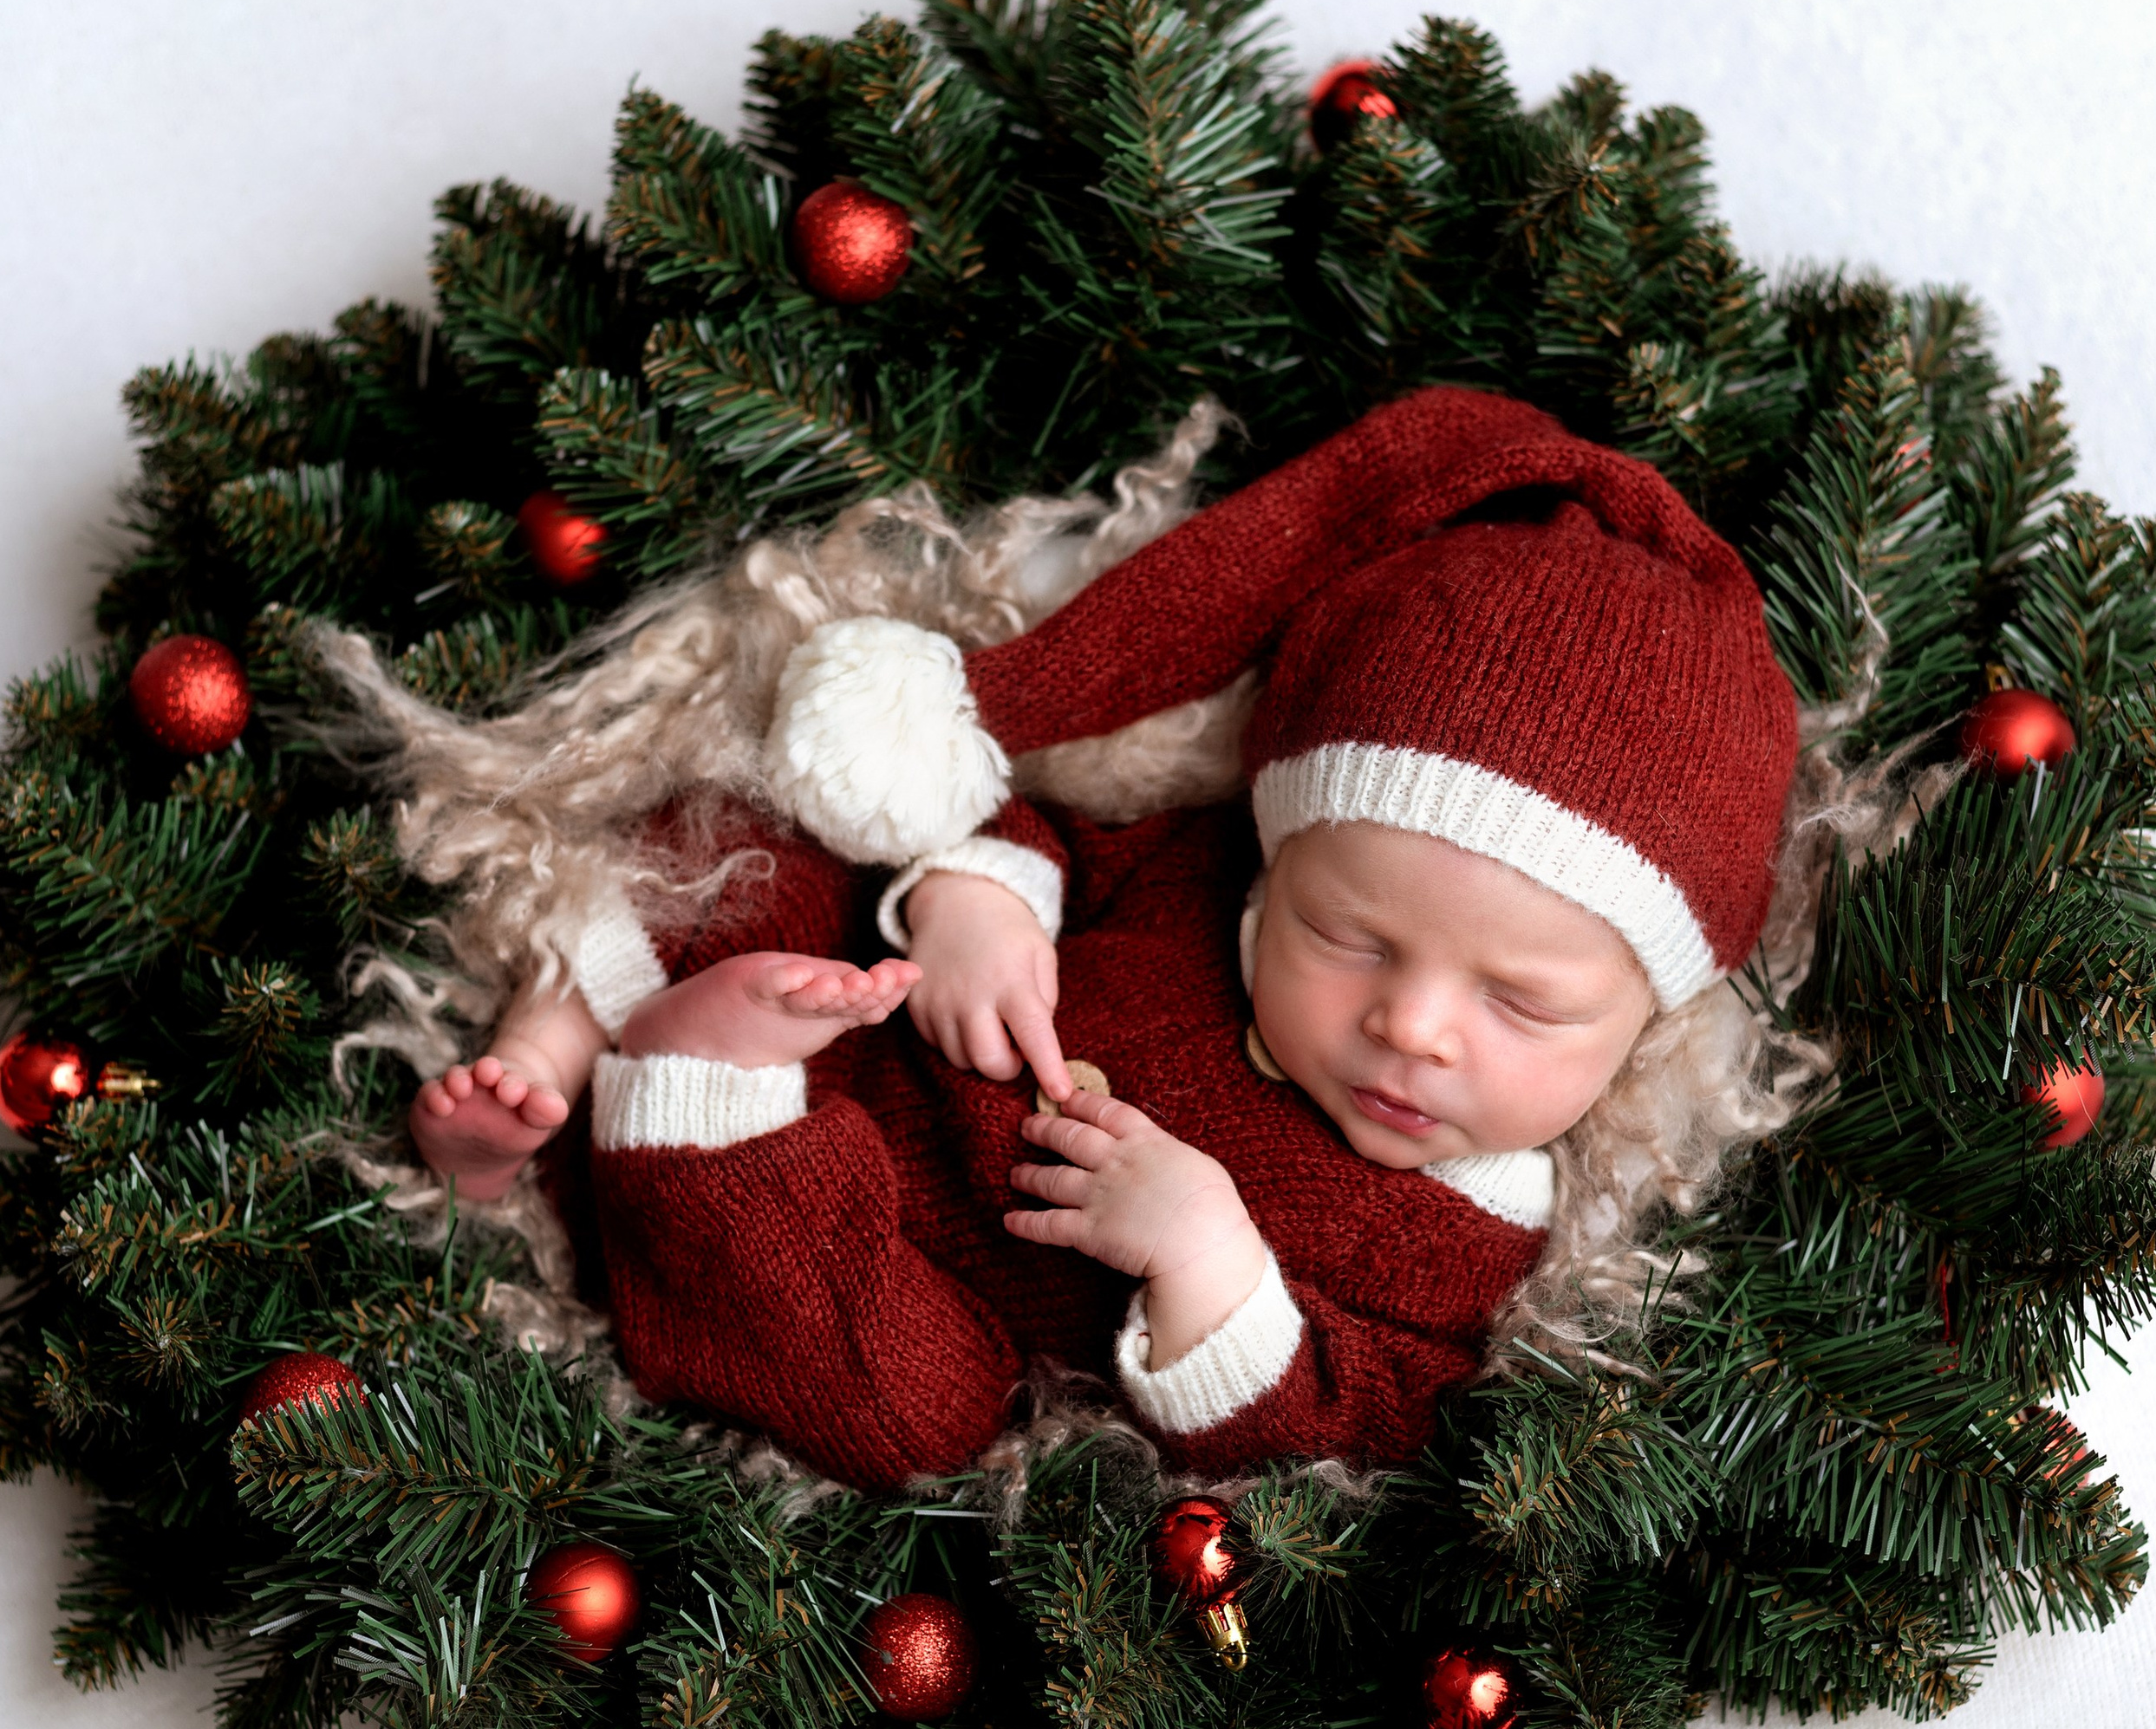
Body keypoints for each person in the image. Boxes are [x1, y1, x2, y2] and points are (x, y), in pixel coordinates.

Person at [410, 388, 1797, 1490]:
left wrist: (1210, 1262)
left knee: (914, 1410)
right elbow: (1051, 815)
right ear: (1279, 852)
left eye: (1524, 1004)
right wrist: (983, 899)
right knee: (768, 840)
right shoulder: (1209, 881)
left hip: (910, 1275)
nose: (1414, 1026)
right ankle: (553, 1037)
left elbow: (1355, 1420)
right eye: (1350, 937)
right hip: (875, 1014)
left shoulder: (1472, 1234)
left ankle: (692, 1099)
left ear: (1647, 1018)